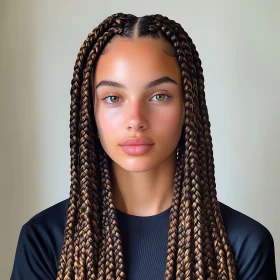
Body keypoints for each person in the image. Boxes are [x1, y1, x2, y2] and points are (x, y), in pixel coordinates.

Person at [10, 13, 277, 280]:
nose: (136, 120)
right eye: (113, 98)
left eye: (159, 96)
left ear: (188, 107)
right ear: (91, 111)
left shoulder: (244, 245)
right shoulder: (44, 241)